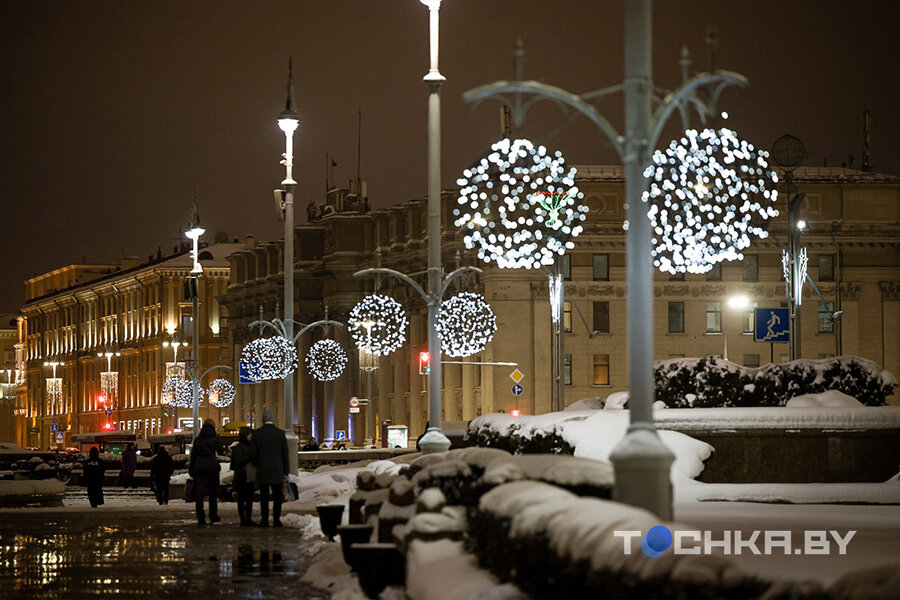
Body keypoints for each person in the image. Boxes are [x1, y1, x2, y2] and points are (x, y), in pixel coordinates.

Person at [252, 409, 289, 527]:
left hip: (263, 470)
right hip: (277, 469)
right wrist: (286, 470)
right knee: (277, 497)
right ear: (273, 419)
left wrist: (257, 464)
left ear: (263, 419)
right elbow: (285, 453)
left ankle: (264, 520)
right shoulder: (280, 433)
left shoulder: (257, 433)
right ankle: (276, 520)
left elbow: (254, 454)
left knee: (264, 497)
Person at [189, 419, 221, 526]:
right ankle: (213, 515)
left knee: (199, 494)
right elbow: (220, 451)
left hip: (199, 466)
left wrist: (191, 469)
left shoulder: (198, 440)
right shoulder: (215, 439)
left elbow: (193, 456)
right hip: (212, 466)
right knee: (213, 493)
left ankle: (201, 517)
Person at [229, 427, 256, 527]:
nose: (251, 436)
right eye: (249, 434)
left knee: (247, 499)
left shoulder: (244, 446)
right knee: (244, 499)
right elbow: (238, 461)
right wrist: (250, 457)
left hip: (246, 475)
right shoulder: (241, 447)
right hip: (243, 476)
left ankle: (247, 518)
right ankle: (244, 519)